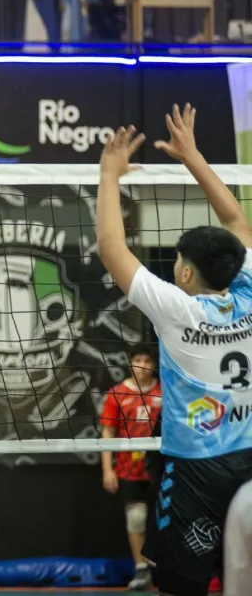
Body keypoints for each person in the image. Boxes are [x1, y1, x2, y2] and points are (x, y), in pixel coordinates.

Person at [95, 103, 252, 596]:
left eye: (179, 261)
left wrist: (108, 173)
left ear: (185, 273)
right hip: (247, 461)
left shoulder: (177, 310)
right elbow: (237, 220)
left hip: (194, 470)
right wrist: (193, 157)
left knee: (179, 585)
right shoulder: (248, 289)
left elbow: (110, 247)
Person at [100, 344, 162, 590]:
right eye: (138, 360)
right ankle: (141, 569)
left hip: (161, 467)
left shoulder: (164, 391)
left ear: (154, 365)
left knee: (163, 521)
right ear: (130, 362)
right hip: (129, 468)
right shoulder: (117, 393)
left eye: (147, 361)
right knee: (136, 519)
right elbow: (108, 431)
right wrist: (107, 468)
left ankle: (164, 569)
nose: (143, 365)